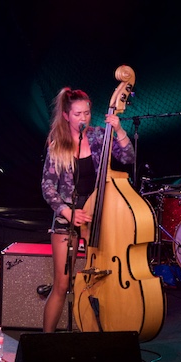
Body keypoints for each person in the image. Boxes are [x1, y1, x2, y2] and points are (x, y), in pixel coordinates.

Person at [40, 87, 135, 333]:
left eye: (87, 113)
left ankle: (103, 333)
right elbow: (47, 186)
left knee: (103, 279)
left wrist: (120, 130)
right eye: (78, 113)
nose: (84, 118)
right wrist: (66, 211)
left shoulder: (99, 137)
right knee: (61, 286)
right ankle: (43, 342)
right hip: (68, 216)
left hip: (98, 214)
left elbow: (128, 158)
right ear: (66, 116)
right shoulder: (57, 144)